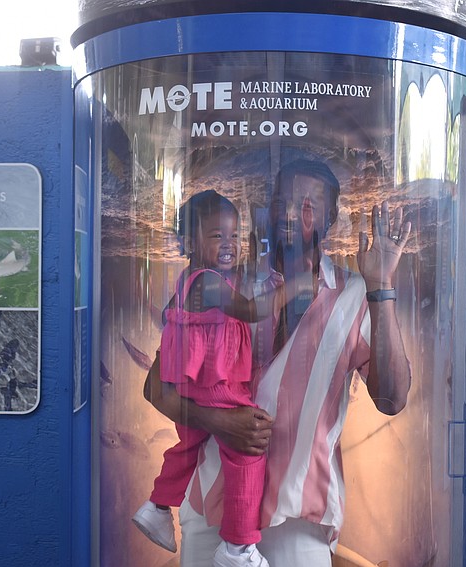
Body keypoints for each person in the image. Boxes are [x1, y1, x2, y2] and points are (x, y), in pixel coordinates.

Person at [144, 159, 415, 567]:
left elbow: (392, 399)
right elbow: (154, 387)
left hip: (299, 516)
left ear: (331, 217)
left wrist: (381, 287)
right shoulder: (221, 282)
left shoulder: (355, 293)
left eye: (307, 205)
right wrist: (219, 422)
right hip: (213, 506)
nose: (290, 213)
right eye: (281, 201)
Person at [133, 190, 283, 567]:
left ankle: (157, 506)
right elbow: (252, 310)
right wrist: (289, 290)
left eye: (235, 235)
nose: (229, 244)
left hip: (189, 380)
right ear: (188, 242)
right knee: (247, 454)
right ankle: (237, 547)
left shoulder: (196, 279)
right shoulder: (208, 283)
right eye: (217, 236)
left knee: (188, 444)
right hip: (212, 385)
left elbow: (170, 320)